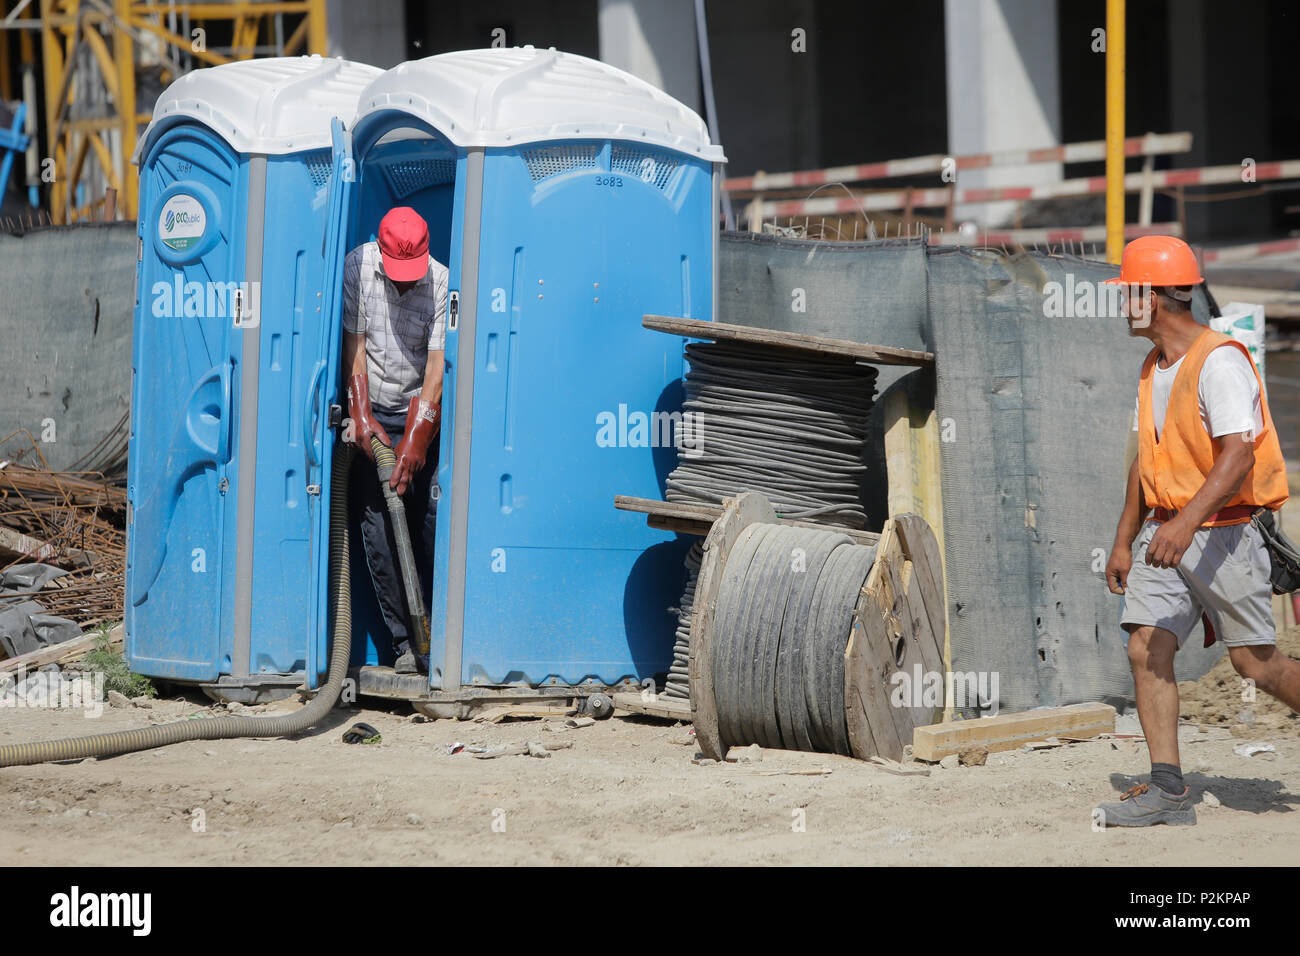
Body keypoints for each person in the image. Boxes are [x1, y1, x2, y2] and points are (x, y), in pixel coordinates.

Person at [1097, 235, 1298, 827]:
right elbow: (1147, 461)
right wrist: (1122, 539)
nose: (1121, 306)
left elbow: (1237, 455)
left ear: (1151, 297)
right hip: (1168, 532)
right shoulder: (1153, 367)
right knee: (1146, 645)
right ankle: (1168, 790)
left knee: (1255, 664)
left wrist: (1185, 523)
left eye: (1127, 294)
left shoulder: (1221, 360)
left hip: (1225, 534)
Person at [342, 206, 448, 674]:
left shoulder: (441, 282)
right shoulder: (359, 266)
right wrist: (362, 417)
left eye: (412, 276)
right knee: (380, 527)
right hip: (375, 412)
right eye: (397, 276)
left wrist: (419, 437)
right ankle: (405, 646)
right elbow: (356, 348)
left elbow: (436, 368)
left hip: (418, 410)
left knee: (430, 519)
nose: (405, 285)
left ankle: (438, 639)